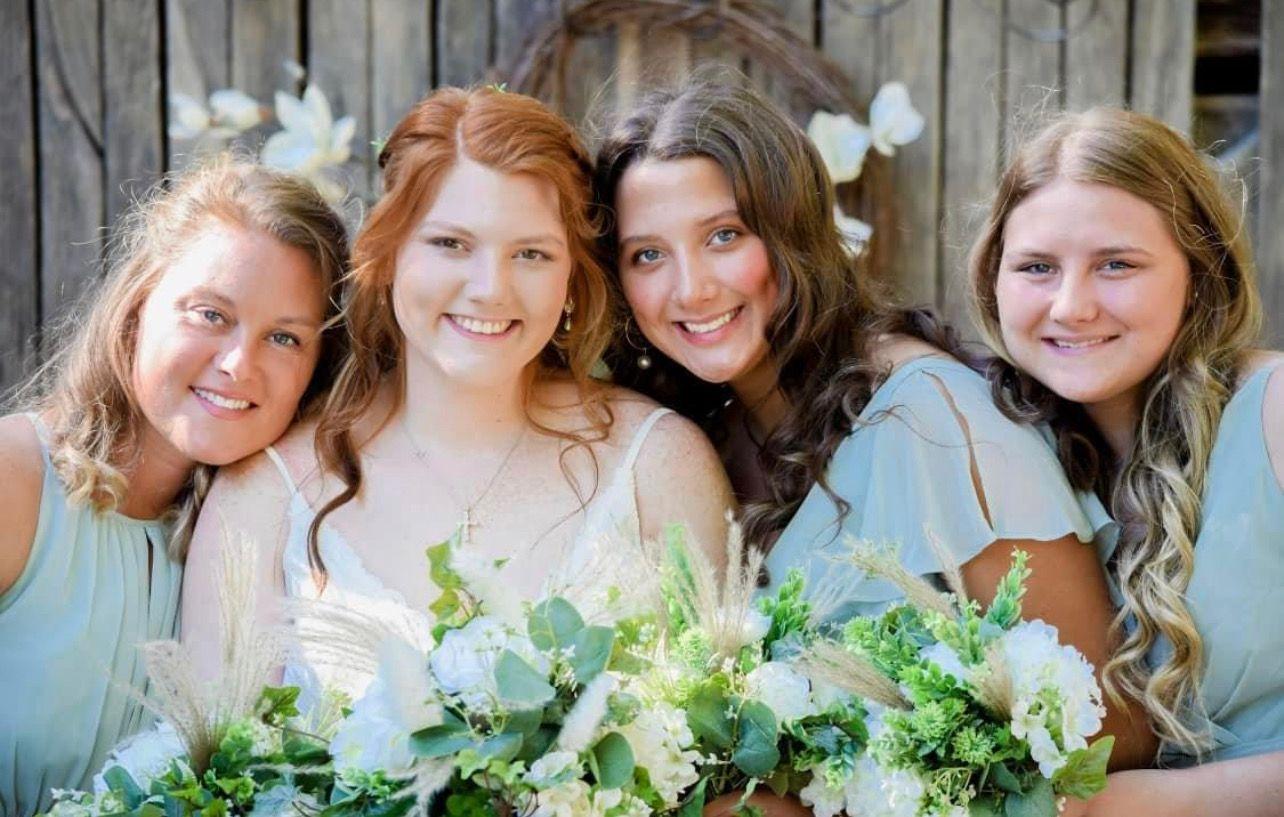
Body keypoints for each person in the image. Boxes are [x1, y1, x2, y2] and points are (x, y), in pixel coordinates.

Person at [595, 73, 1156, 770]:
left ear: (791, 228)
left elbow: (1114, 728)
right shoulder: (695, 439)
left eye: (724, 235)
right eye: (648, 254)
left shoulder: (934, 417)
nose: (691, 287)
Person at [181, 86, 733, 703]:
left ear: (572, 278)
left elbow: (724, 745)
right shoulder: (266, 492)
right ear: (388, 254)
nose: (490, 290)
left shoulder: (658, 466)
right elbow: (214, 775)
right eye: (451, 244)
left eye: (530, 253)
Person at [0, 157, 349, 816]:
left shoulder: (269, 538)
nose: (239, 363)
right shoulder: (15, 480)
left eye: (284, 337)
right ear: (138, 307)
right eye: (211, 314)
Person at [969, 106, 1283, 815]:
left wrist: (1159, 802)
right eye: (1037, 268)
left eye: (1117, 264)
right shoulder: (1010, 455)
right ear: (995, 279)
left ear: (1198, 273)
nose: (1072, 305)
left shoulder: (1274, 413)